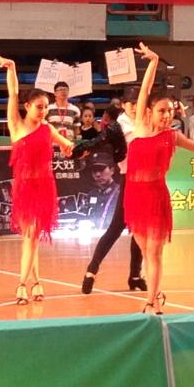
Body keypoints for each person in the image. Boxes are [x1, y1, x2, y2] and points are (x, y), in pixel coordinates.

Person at [122, 43, 194, 313]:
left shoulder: (172, 136)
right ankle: (157, 293)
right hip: (134, 197)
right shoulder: (140, 126)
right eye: (162, 110)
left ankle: (151, 301)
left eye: (170, 111)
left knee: (154, 252)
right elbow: (144, 91)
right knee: (144, 250)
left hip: (156, 197)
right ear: (149, 112)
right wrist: (153, 62)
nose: (167, 115)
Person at [0, 52, 73, 304]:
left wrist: (71, 147)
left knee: (33, 238)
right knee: (30, 237)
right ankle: (24, 284)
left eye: (46, 107)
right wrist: (12, 68)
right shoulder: (17, 125)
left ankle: (32, 284)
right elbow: (13, 93)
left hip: (45, 187)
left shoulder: (48, 128)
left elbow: (67, 145)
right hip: (25, 188)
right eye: (39, 106)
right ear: (28, 106)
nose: (43, 111)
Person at [78, 101, 146, 295]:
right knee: (116, 227)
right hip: (128, 179)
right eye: (132, 103)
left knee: (140, 229)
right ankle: (91, 270)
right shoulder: (119, 126)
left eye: (138, 103)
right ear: (124, 104)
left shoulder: (146, 121)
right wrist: (81, 148)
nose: (136, 107)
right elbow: (100, 142)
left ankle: (135, 275)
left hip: (146, 180)